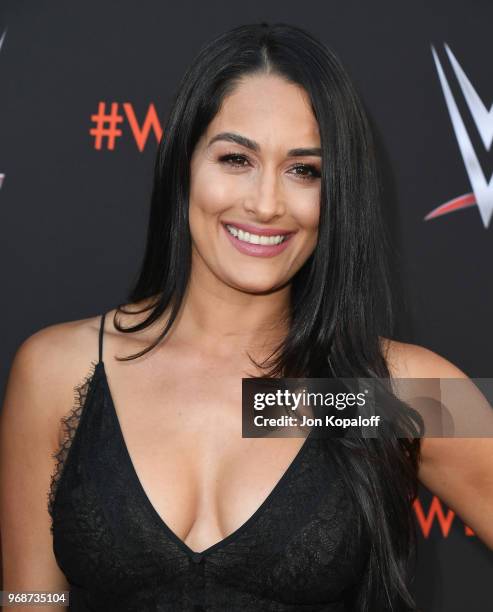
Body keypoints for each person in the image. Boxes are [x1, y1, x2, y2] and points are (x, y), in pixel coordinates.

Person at [1, 21, 492, 612]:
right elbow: (28, 597)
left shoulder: (379, 388)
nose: (265, 203)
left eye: (304, 170)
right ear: (183, 166)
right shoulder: (57, 368)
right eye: (236, 159)